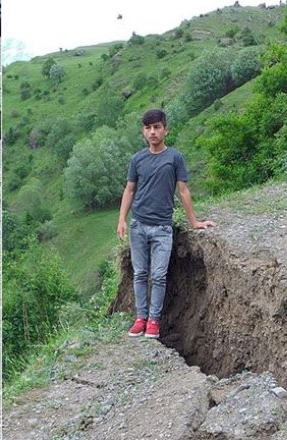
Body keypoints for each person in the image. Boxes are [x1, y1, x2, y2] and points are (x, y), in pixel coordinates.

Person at [116, 109, 215, 338]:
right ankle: (140, 318)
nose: (153, 132)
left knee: (159, 275)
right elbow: (129, 189)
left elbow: (183, 190)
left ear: (165, 130)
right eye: (148, 128)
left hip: (162, 228)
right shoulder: (137, 159)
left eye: (157, 127)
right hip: (138, 225)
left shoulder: (175, 158)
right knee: (140, 273)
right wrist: (122, 219)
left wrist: (194, 222)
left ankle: (154, 321)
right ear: (143, 131)